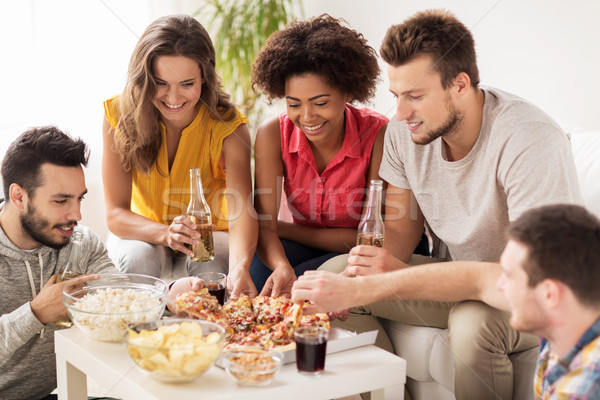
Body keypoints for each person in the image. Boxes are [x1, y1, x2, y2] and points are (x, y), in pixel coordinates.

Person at [315, 9, 583, 400]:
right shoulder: (404, 134)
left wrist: (390, 282)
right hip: (461, 279)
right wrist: (378, 267)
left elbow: (521, 279)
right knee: (337, 277)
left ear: (460, 85)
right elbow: (402, 226)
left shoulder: (528, 139)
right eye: (397, 96)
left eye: (415, 96)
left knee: (473, 324)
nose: (400, 112)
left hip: (531, 292)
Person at [293, 204, 600, 399]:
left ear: (550, 294)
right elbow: (479, 280)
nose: (499, 283)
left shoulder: (583, 386)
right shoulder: (561, 336)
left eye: (508, 275)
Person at [0, 126, 201, 400]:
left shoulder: (79, 241)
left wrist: (166, 297)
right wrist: (36, 313)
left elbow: (121, 294)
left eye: (79, 198)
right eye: (61, 201)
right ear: (19, 197)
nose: (77, 215)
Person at [249, 14, 427, 297]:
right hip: (330, 244)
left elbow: (372, 237)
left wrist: (288, 230)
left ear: (346, 91)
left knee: (316, 279)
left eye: (320, 103)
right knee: (262, 274)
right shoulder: (272, 134)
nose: (307, 117)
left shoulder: (379, 134)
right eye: (294, 104)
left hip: (376, 246)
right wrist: (282, 265)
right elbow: (265, 228)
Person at [102, 14, 258, 298]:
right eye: (161, 83)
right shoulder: (119, 116)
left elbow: (242, 212)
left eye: (187, 84)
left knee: (213, 268)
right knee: (138, 259)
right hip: (143, 228)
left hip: (211, 231)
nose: (173, 98)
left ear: (205, 78)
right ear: (144, 78)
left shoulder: (229, 126)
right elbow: (115, 214)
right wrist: (165, 234)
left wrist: (240, 266)